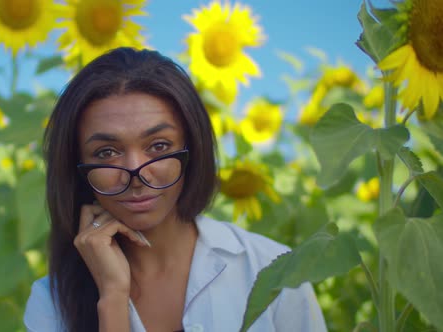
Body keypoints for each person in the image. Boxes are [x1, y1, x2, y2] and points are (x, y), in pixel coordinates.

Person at [24, 47, 326, 332]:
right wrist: (113, 298)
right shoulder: (50, 304)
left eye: (159, 146)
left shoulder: (273, 269)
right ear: (76, 167)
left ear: (192, 148)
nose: (135, 173)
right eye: (106, 153)